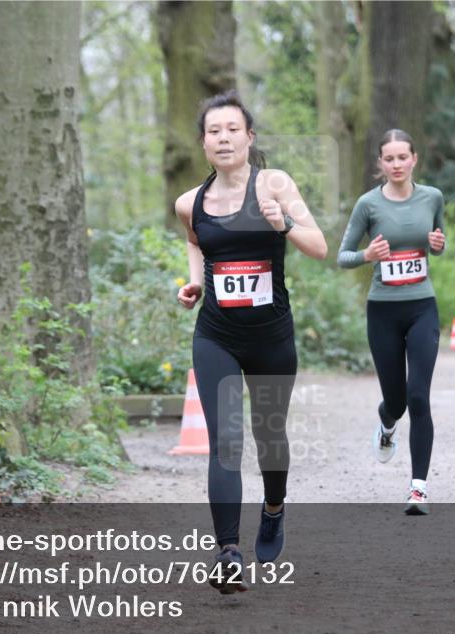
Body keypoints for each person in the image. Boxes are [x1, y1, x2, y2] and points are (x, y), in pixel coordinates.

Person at [174, 91, 327, 593]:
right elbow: (197, 243)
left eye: (232, 129)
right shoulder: (188, 203)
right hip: (216, 334)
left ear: (249, 137)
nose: (223, 137)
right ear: (203, 142)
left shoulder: (275, 183)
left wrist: (282, 222)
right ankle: (228, 552)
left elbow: (319, 246)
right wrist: (195, 282)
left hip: (271, 337)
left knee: (270, 439)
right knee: (224, 445)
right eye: (214, 131)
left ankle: (274, 507)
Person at [337, 129, 446, 516]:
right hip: (383, 310)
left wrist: (438, 245)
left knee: (419, 396)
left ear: (415, 158)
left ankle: (418, 489)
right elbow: (342, 255)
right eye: (390, 158)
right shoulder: (368, 204)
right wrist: (367, 254)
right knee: (397, 402)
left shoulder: (432, 197)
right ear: (380, 164)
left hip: (422, 307)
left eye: (403, 157)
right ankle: (386, 423)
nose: (397, 164)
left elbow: (438, 239)